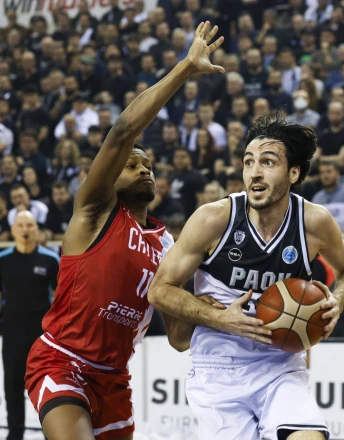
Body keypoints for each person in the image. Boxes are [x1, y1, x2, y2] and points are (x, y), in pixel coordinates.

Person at [24, 21, 225, 440]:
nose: (144, 169)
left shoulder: (169, 245)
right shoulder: (95, 211)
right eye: (132, 165)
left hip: (114, 378)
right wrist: (186, 68)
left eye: (148, 165)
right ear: (111, 176)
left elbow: (178, 338)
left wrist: (215, 312)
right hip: (62, 359)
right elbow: (122, 132)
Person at [148, 116, 344, 440]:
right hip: (218, 366)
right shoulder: (214, 219)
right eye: (248, 162)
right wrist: (218, 318)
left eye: (268, 162)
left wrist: (337, 301)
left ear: (294, 173)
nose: (254, 172)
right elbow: (159, 290)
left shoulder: (314, 222)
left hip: (280, 364)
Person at [0, 211, 60, 440]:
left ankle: (51, 433)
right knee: (12, 386)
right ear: (13, 230)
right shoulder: (1, 260)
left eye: (29, 225)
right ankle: (15, 433)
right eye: (20, 225)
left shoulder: (50, 260)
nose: (25, 229)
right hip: (12, 332)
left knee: (47, 386)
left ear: (36, 229)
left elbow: (60, 297)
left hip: (43, 335)